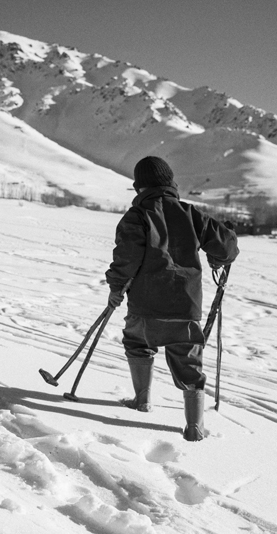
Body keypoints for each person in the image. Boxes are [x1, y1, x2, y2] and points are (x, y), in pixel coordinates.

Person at [105, 156, 238, 442]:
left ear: (140, 186)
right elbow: (226, 248)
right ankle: (194, 426)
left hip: (145, 305)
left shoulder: (136, 216)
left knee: (137, 343)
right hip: (186, 307)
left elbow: (126, 258)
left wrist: (116, 288)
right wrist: (221, 249)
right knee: (189, 364)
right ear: (170, 183)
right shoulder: (191, 213)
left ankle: (142, 400)